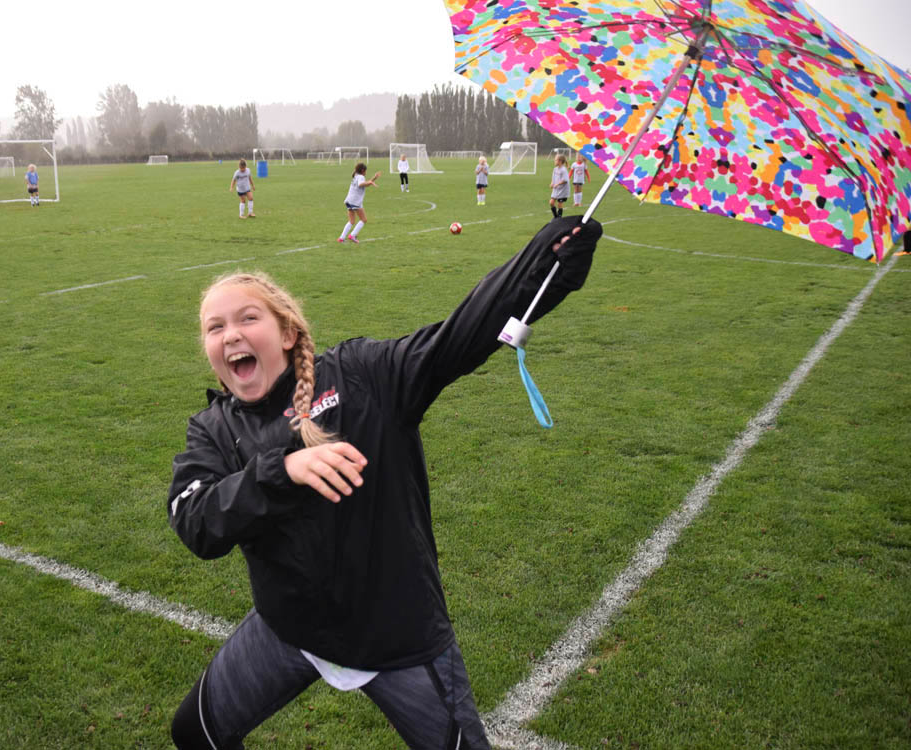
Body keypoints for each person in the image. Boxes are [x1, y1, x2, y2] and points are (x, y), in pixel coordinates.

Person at [167, 214, 603, 750]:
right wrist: (281, 470)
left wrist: (542, 268)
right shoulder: (214, 429)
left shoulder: (361, 374)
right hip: (291, 631)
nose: (230, 333)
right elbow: (195, 521)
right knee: (194, 733)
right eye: (215, 327)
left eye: (247, 318)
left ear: (286, 332)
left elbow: (456, 338)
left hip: (399, 640)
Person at [337, 162, 380, 244]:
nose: (366, 173)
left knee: (351, 221)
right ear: (363, 170)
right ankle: (352, 235)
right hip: (355, 201)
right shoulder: (361, 177)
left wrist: (373, 179)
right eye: (365, 171)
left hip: (349, 200)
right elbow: (361, 184)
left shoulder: (356, 176)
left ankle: (341, 238)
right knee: (364, 219)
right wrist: (371, 182)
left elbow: (364, 185)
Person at [549, 154, 569, 218]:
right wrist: (552, 183)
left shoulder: (563, 170)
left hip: (563, 189)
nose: (554, 161)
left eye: (555, 160)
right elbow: (553, 178)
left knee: (559, 204)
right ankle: (556, 217)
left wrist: (557, 184)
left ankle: (559, 217)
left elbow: (565, 180)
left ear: (560, 161)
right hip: (556, 188)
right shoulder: (555, 169)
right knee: (551, 203)